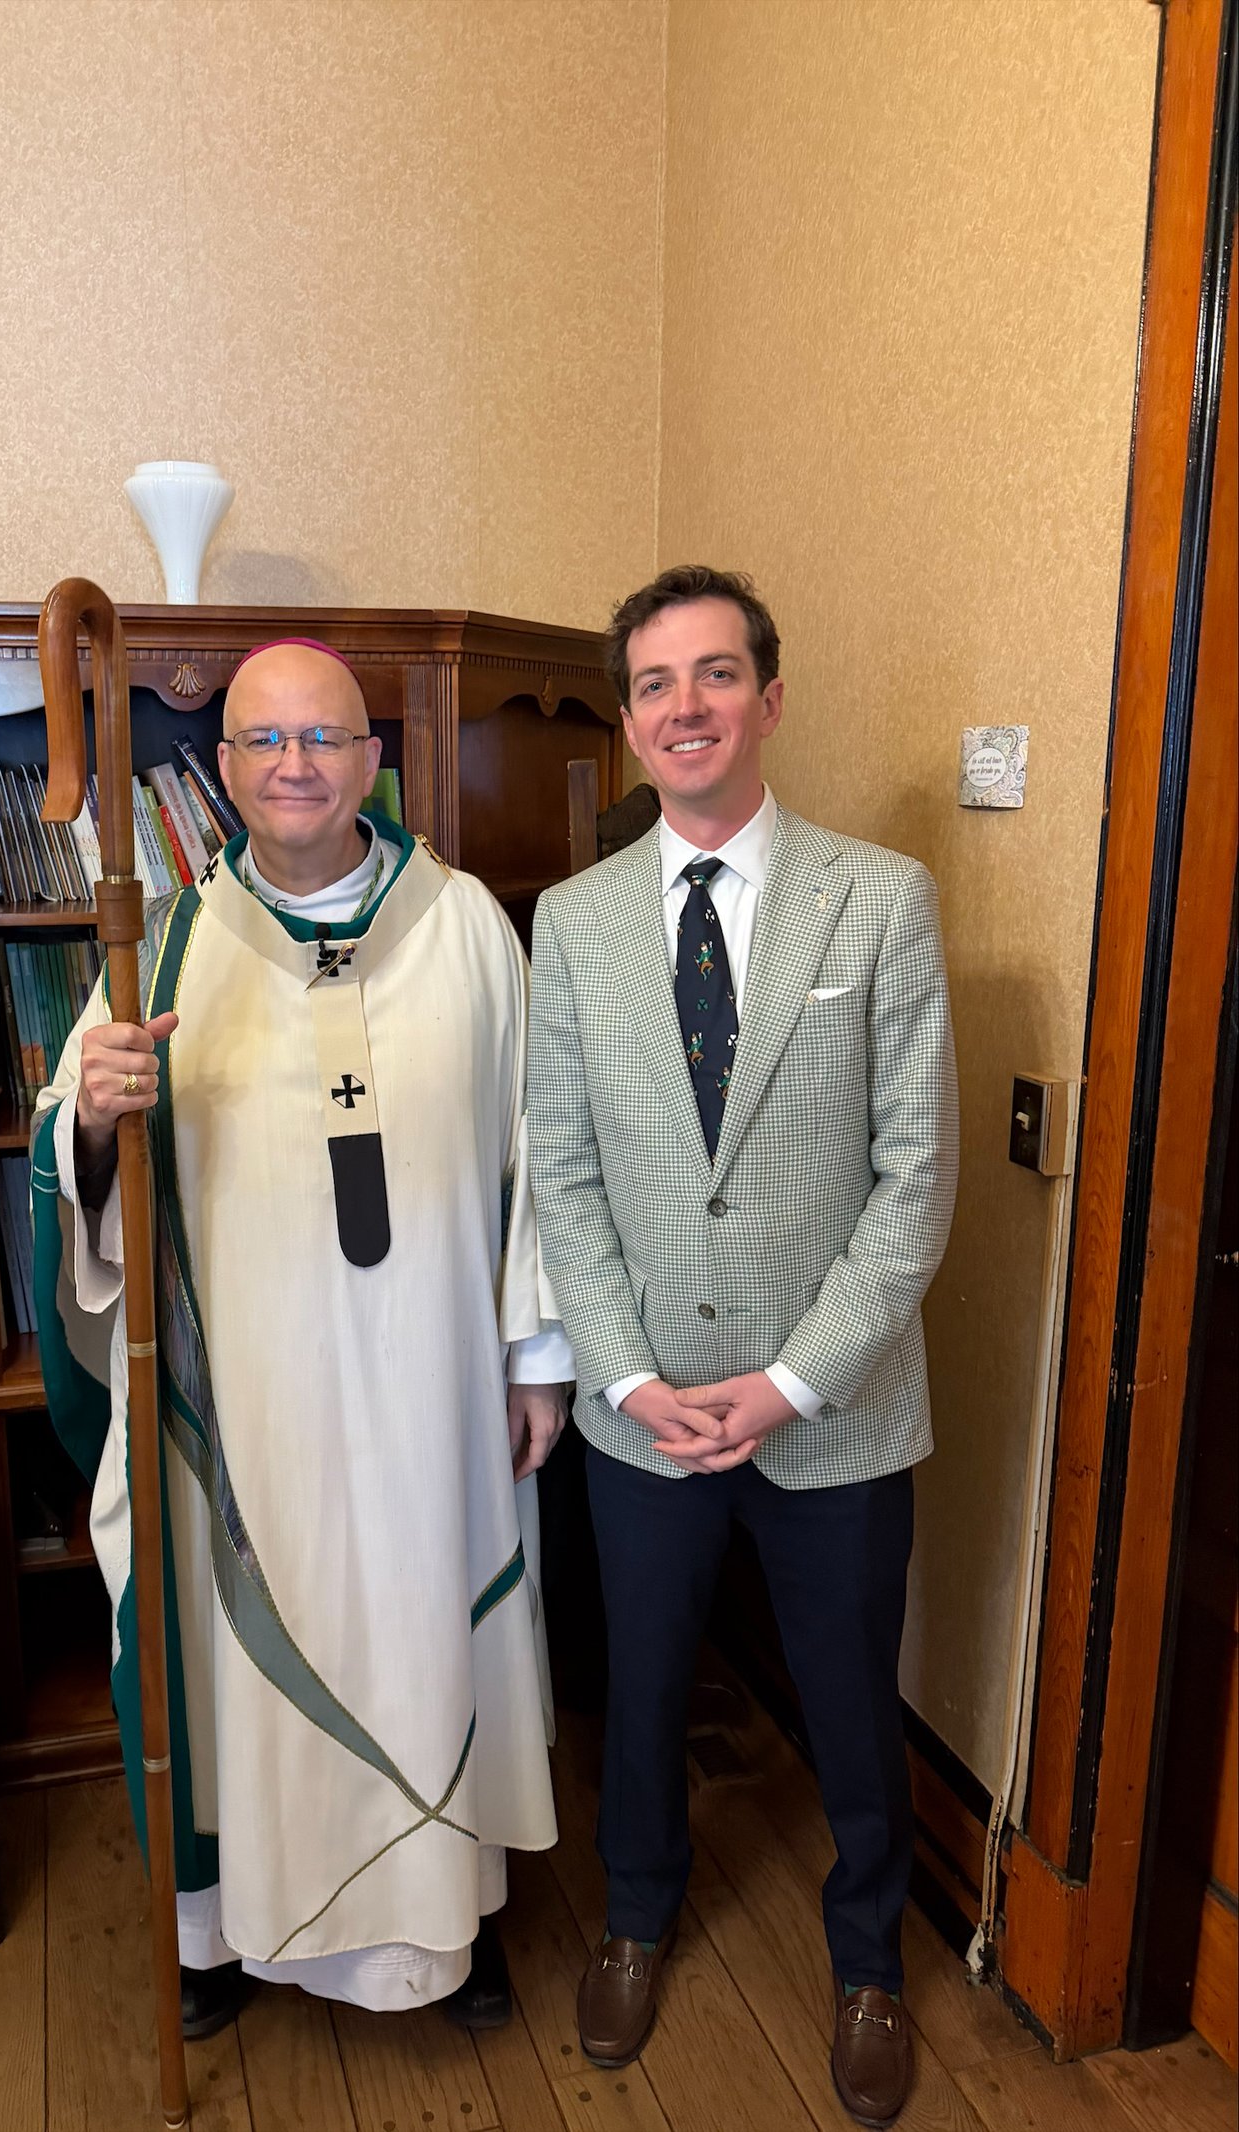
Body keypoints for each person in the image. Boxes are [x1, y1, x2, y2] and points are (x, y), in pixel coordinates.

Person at [31, 638, 568, 2035]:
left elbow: (536, 1156)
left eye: (322, 739)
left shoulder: (464, 928)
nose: (294, 766)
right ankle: (225, 1932)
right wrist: (92, 1112)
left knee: (435, 1626)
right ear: (222, 769)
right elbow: (77, 1145)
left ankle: (447, 1922)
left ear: (372, 761)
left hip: (434, 1393)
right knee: (234, 1654)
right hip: (249, 1402)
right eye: (265, 743)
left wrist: (533, 1356)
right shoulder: (170, 941)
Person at [525, 566, 957, 2126]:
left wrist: (787, 1382)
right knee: (638, 1689)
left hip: (833, 1413)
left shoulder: (882, 897)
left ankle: (869, 1965)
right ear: (631, 723)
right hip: (647, 1417)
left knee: (849, 1697)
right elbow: (561, 1173)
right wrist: (629, 1378)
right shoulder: (568, 928)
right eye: (655, 683)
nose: (687, 705)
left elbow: (917, 1185)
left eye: (716, 675)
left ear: (769, 699)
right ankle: (636, 1921)